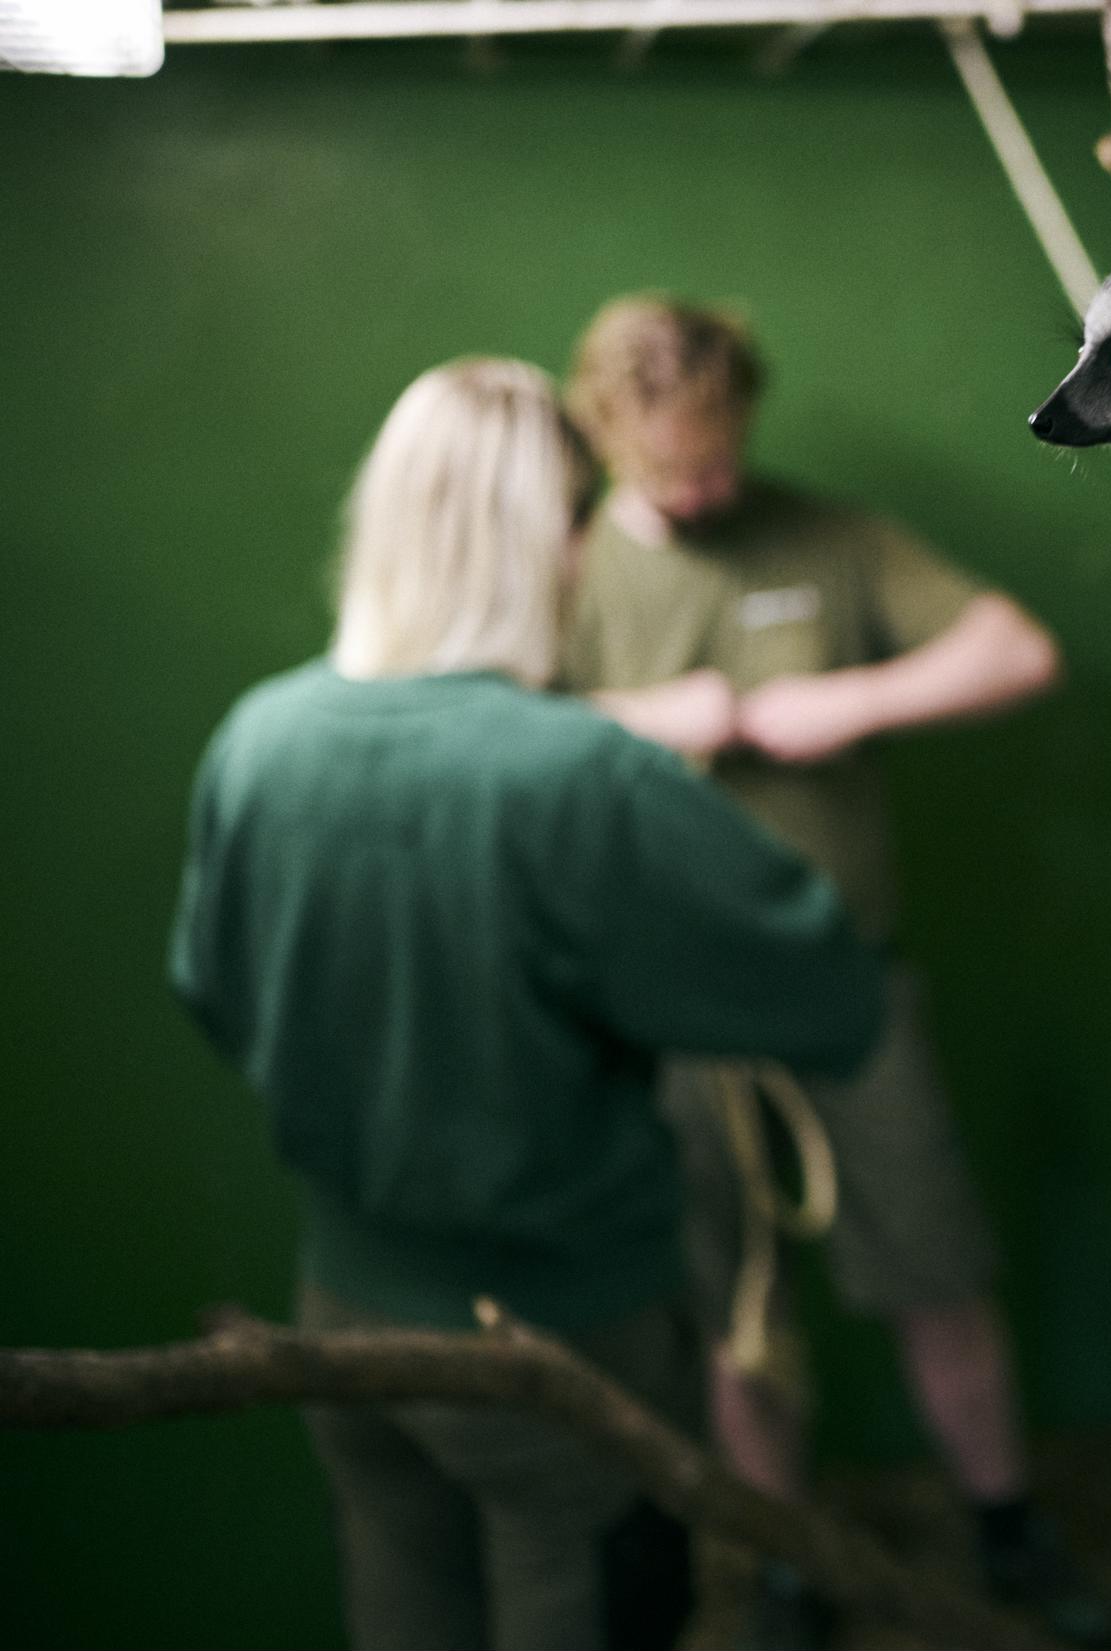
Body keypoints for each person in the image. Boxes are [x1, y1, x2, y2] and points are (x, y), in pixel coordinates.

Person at [168, 358, 889, 1651]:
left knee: (404, 1612)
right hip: (563, 1347)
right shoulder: (575, 776)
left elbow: (213, 994)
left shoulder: (256, 738)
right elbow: (828, 989)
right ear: (547, 540)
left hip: (344, 1319)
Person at [560, 296, 1111, 1649]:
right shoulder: (564, 572)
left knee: (938, 1271)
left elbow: (1018, 650)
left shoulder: (824, 533)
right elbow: (469, 721)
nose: (703, 488)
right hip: (665, 1012)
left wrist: (850, 703)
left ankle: (1005, 1532)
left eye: (718, 455)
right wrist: (645, 723)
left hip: (846, 985)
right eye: (669, 466)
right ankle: (786, 1565)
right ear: (602, 434)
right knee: (737, 1313)